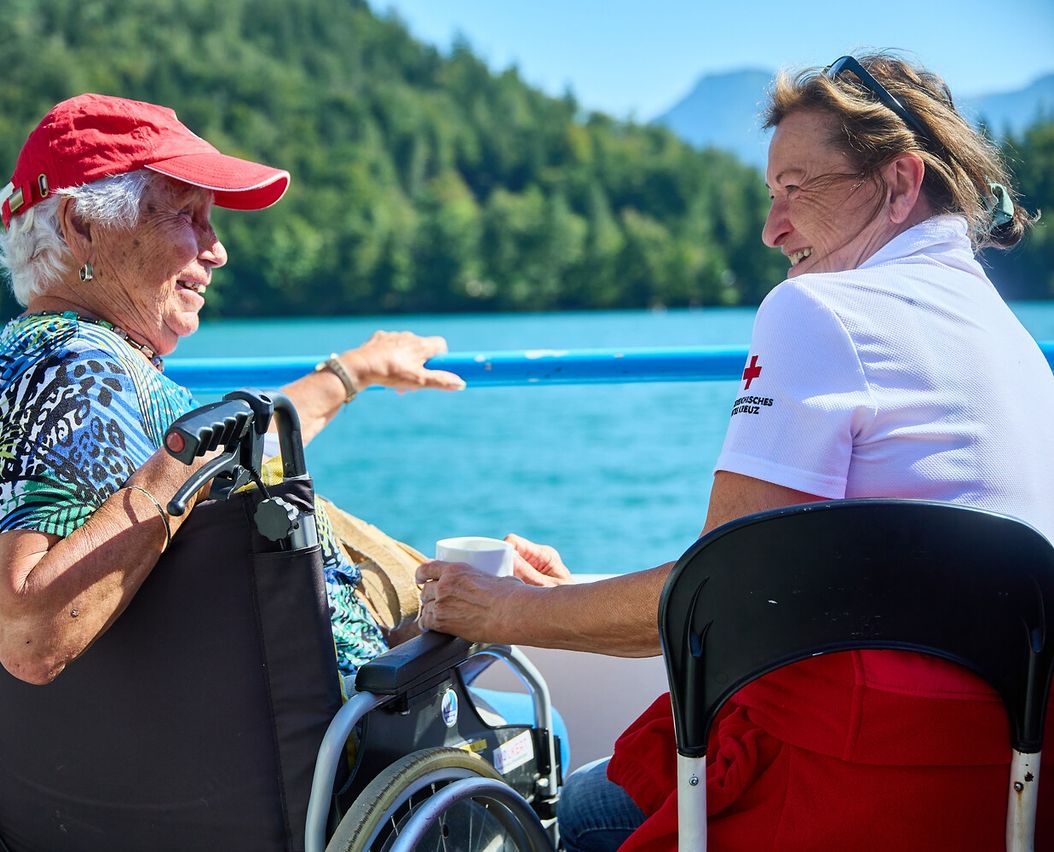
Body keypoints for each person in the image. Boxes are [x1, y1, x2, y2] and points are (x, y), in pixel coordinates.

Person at [417, 52, 1054, 850]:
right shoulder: (1013, 341)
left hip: (856, 784)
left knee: (575, 811)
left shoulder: (818, 309)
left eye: (796, 189)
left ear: (898, 182)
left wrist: (507, 611)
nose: (771, 228)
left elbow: (722, 603)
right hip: (1010, 782)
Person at [0, 93, 464, 686]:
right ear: (83, 226)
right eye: (187, 217)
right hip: (344, 733)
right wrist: (181, 465)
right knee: (537, 713)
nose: (217, 249)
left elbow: (237, 447)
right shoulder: (74, 373)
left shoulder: (56, 356)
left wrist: (353, 371)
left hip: (211, 735)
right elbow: (30, 637)